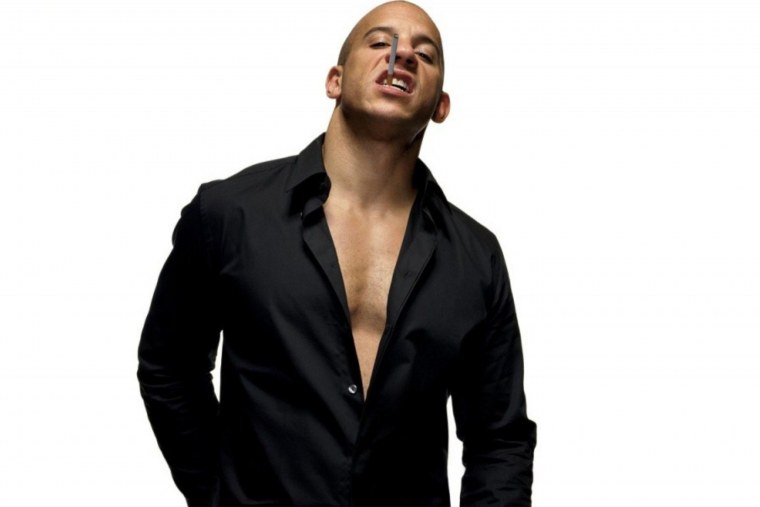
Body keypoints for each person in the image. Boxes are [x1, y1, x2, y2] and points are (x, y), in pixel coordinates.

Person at [137, 2, 536, 506]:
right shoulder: (229, 214)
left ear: (441, 106)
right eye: (380, 42)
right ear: (335, 80)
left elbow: (499, 438)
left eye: (425, 54)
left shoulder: (476, 258)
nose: (402, 55)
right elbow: (169, 366)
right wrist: (217, 494)